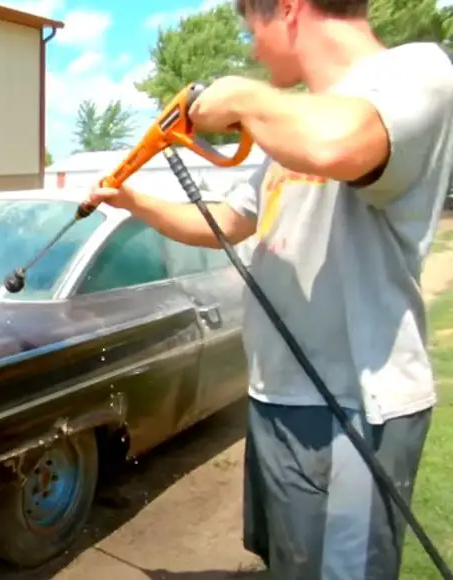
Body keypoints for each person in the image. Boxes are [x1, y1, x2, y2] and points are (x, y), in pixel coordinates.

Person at [84, 0, 453, 578]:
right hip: (278, 394)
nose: (252, 48)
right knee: (290, 564)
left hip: (355, 407)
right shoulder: (295, 121)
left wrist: (244, 97)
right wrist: (132, 201)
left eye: (251, 28)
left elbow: (340, 147)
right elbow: (229, 222)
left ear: (287, 9)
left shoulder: (417, 71)